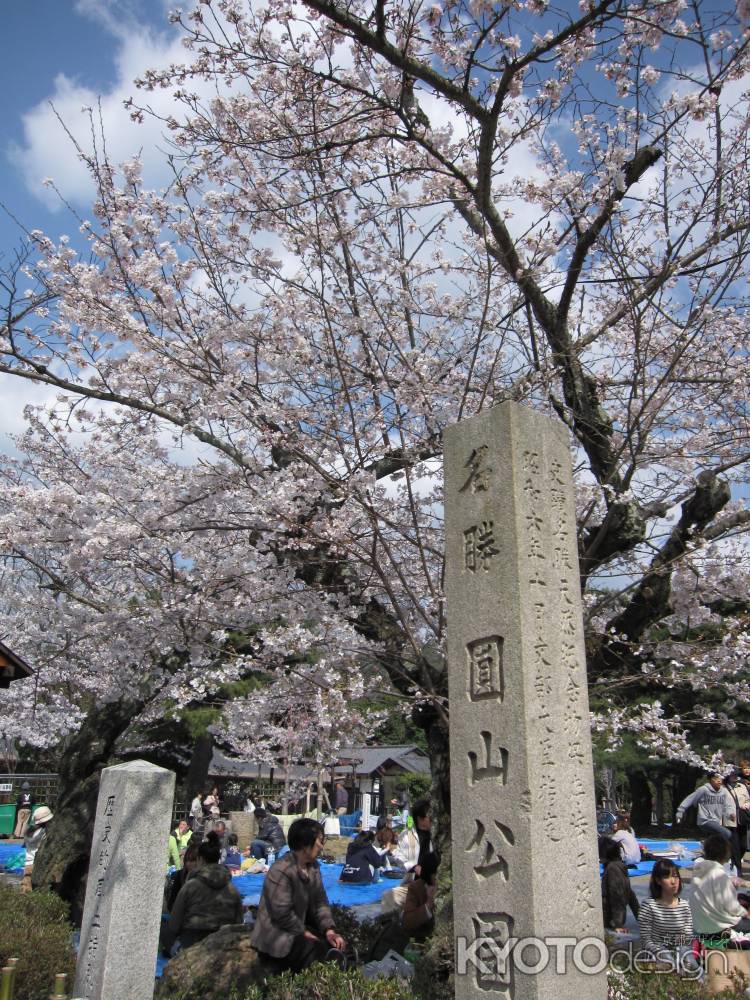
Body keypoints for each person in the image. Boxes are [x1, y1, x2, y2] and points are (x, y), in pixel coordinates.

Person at [251, 817, 346, 973]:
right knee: (315, 951)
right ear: (304, 844)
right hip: (277, 934)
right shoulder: (281, 870)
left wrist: (329, 930)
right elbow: (281, 914)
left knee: (338, 945)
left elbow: (320, 902)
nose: (322, 846)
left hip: (299, 930)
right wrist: (305, 933)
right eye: (320, 841)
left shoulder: (313, 868)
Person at [162, 832, 243, 954]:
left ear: (200, 859)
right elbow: (239, 924)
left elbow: (174, 924)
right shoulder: (233, 890)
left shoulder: (191, 886)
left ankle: (177, 952)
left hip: (191, 946)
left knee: (163, 927)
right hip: (222, 947)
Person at [690, 833, 750, 939]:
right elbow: (732, 907)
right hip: (718, 928)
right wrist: (745, 913)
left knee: (741, 898)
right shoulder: (720, 876)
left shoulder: (698, 870)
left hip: (699, 924)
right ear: (726, 854)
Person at [637, 859, 693, 959]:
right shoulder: (649, 906)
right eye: (667, 877)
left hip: (678, 953)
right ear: (658, 881)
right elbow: (646, 940)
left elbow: (687, 937)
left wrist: (679, 954)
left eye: (675, 876)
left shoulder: (684, 905)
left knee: (691, 963)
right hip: (655, 955)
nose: (673, 881)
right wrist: (664, 954)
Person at [676, 772, 733, 841]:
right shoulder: (703, 789)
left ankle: (707, 847)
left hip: (716, 821)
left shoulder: (724, 791)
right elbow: (690, 799)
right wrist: (680, 811)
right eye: (715, 778)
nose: (719, 780)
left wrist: (730, 814)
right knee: (727, 833)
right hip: (705, 820)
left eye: (720, 778)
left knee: (714, 839)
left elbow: (727, 805)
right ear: (710, 780)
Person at [600, 837, 639, 932]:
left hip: (609, 918)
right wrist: (640, 916)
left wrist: (618, 923)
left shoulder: (613, 869)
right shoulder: (619, 866)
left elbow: (616, 895)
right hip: (613, 917)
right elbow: (630, 894)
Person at [403, 851, 440, 939]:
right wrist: (428, 905)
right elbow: (408, 922)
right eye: (436, 875)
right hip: (424, 938)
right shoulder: (416, 888)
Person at [394, 798, 433, 875]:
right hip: (414, 880)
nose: (432, 819)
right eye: (429, 817)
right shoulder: (407, 835)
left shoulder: (436, 834)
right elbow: (398, 856)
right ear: (420, 819)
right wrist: (414, 867)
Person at [21, 805, 53, 893]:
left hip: (28, 864)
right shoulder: (44, 833)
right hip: (38, 863)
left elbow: (25, 845)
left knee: (26, 888)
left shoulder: (28, 831)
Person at [724, 772, 749, 875]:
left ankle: (734, 862)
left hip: (742, 819)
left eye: (735, 775)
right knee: (735, 846)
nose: (734, 777)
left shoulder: (742, 786)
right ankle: (738, 870)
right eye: (732, 775)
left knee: (743, 845)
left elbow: (748, 799)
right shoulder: (723, 788)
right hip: (730, 821)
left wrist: (746, 805)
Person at [167, 840, 201, 911]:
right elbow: (171, 903)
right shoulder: (180, 875)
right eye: (187, 860)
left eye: (192, 860)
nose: (188, 863)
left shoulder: (207, 879)